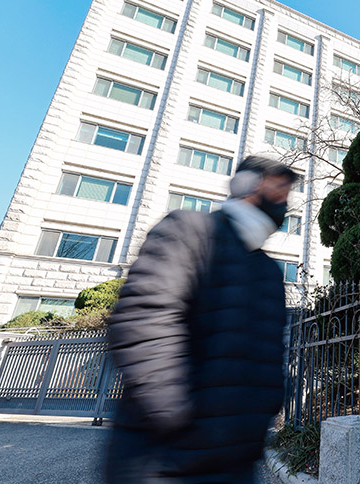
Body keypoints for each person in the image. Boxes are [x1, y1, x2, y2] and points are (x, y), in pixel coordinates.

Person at [105, 156, 297, 483]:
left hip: (237, 461)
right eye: (278, 189)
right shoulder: (189, 230)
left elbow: (270, 351)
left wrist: (267, 408)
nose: (284, 202)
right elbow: (143, 319)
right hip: (164, 458)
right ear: (246, 185)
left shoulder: (267, 271)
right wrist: (174, 414)